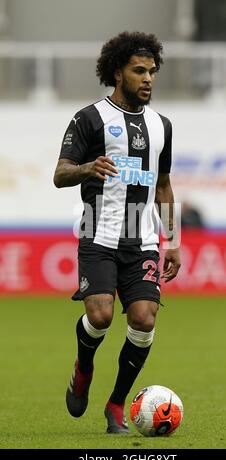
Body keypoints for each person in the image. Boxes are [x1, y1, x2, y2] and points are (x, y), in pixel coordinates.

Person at [53, 31, 181, 434]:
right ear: (117, 72)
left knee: (144, 320)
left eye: (152, 72)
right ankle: (84, 366)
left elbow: (162, 185)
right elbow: (60, 174)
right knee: (101, 314)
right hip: (99, 234)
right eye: (139, 70)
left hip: (142, 239)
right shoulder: (89, 118)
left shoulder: (162, 126)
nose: (148, 79)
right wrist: (88, 167)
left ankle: (116, 405)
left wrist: (173, 240)